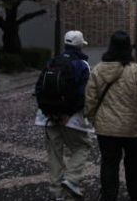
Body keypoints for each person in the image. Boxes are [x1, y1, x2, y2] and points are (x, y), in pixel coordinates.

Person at [85, 30, 137, 201]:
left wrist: (90, 116)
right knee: (133, 163)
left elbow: (90, 98)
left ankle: (108, 195)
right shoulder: (136, 71)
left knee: (109, 164)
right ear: (128, 48)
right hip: (131, 127)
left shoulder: (98, 70)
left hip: (106, 128)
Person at [35, 30, 91, 200]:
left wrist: (49, 112)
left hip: (47, 116)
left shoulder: (52, 61)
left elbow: (39, 89)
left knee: (54, 154)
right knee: (82, 146)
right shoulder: (82, 65)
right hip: (70, 118)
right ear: (80, 45)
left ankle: (57, 192)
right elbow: (82, 94)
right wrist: (67, 113)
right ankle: (72, 179)